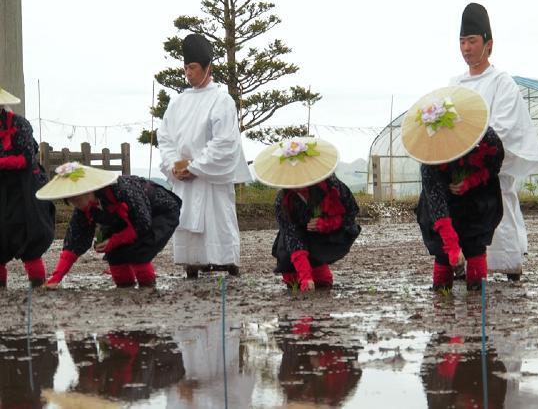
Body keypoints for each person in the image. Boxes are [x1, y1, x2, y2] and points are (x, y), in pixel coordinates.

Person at [450, 3, 538, 281]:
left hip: (489, 169)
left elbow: (504, 128)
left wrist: (475, 156)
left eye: (472, 41)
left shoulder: (502, 82)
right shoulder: (455, 84)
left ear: (488, 44)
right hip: (461, 168)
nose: (466, 48)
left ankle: (509, 266)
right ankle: (466, 266)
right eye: (462, 42)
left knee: (498, 215)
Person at [157, 33, 252, 279]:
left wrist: (196, 167)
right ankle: (193, 262)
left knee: (218, 219)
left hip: (210, 179)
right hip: (185, 178)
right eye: (186, 68)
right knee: (187, 220)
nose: (188, 73)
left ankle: (226, 262)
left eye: (193, 67)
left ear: (208, 67)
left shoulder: (221, 100)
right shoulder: (178, 102)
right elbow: (165, 138)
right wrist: (173, 166)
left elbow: (225, 142)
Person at [404, 86, 504, 291]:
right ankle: (442, 298)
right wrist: (451, 247)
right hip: (444, 202)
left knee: (475, 246)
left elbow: (494, 164)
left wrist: (471, 181)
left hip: (477, 198)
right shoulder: (430, 163)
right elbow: (437, 206)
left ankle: (477, 295)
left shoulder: (486, 136)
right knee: (442, 253)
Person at [36, 163, 181, 288]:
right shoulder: (82, 210)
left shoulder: (122, 190)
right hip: (124, 221)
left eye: (77, 198)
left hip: (159, 211)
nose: (76, 203)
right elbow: (74, 242)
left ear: (89, 190)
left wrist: (113, 240)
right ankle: (125, 288)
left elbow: (142, 223)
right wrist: (55, 279)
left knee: (139, 251)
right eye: (71, 200)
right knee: (115, 256)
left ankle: (147, 288)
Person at [253, 138, 361, 292]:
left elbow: (351, 213)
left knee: (324, 281)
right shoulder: (282, 201)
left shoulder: (332, 186)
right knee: (293, 281)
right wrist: (305, 276)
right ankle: (301, 272)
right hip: (295, 239)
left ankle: (316, 266)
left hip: (322, 234)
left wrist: (325, 224)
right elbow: (292, 235)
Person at [0, 87, 55, 288]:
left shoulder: (20, 124)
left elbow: (26, 158)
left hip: (25, 187)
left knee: (30, 235)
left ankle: (38, 285)